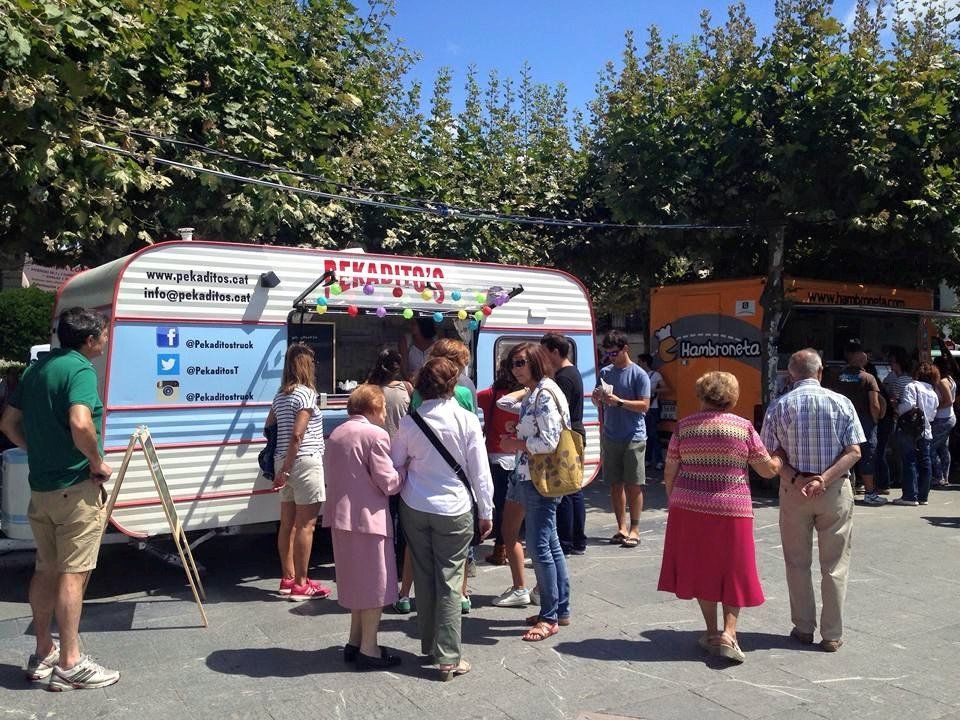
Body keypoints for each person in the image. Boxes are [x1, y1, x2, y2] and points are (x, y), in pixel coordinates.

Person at [0, 307, 120, 690]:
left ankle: (43, 652)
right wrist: (96, 461)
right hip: (75, 489)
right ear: (89, 340)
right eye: (102, 334)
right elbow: (81, 422)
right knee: (73, 573)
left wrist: (37, 450)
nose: (104, 340)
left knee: (46, 569)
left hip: (43, 489)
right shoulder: (79, 369)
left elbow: (7, 423)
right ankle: (71, 662)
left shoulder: (37, 368)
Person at [658, 372, 781, 664]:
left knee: (702, 568)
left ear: (701, 395)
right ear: (732, 396)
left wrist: (676, 498)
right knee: (733, 569)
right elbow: (766, 470)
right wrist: (780, 458)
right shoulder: (743, 428)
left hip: (688, 507)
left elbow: (669, 471)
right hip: (732, 509)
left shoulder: (683, 427)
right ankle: (729, 632)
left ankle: (712, 631)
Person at [391, 358, 493, 681]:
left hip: (416, 505)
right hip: (455, 508)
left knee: (423, 574)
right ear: (453, 384)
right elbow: (480, 471)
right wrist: (486, 511)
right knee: (450, 580)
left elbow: (396, 462)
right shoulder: (467, 420)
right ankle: (449, 657)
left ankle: (430, 645)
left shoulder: (410, 422)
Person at [760, 349, 864, 652]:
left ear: (791, 375)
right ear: (819, 372)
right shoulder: (841, 403)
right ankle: (832, 634)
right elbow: (854, 451)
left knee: (796, 562)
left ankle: (803, 627)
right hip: (833, 490)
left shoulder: (779, 406)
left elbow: (770, 457)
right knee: (835, 565)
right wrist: (824, 479)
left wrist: (796, 478)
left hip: (795, 490)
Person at [323, 384, 404, 670]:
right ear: (373, 408)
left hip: (340, 518)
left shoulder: (337, 433)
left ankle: (354, 641)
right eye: (382, 408)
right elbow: (388, 482)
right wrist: (404, 469)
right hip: (368, 519)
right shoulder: (375, 435)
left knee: (356, 581)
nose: (384, 415)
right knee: (375, 585)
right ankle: (369, 648)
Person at [498, 343, 572, 642]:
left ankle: (549, 616)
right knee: (550, 544)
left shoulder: (543, 395)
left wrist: (516, 445)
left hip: (540, 478)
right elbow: (506, 404)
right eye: (511, 364)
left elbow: (550, 442)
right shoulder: (537, 392)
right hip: (537, 476)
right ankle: (559, 609)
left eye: (520, 363)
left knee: (539, 546)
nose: (514, 369)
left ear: (536, 363)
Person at [409, 337, 477, 612]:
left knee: (421, 554)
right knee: (455, 553)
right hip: (457, 479)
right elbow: (473, 438)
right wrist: (485, 508)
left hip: (420, 485)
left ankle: (409, 595)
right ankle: (460, 593)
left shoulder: (417, 390)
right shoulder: (465, 391)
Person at [266, 344, 330, 601]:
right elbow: (297, 434)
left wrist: (281, 467)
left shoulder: (280, 395)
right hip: (303, 461)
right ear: (307, 366)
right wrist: (289, 466)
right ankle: (302, 584)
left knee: (287, 524)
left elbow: (269, 425)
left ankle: (288, 577)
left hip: (284, 460)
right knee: (307, 525)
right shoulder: (306, 394)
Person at [367, 349, 417, 614]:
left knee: (382, 512)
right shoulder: (407, 389)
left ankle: (382, 563)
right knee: (400, 513)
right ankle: (400, 562)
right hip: (401, 456)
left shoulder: (370, 389)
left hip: (376, 456)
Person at [591, 330, 650, 549]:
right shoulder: (605, 372)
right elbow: (600, 402)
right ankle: (621, 527)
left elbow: (644, 406)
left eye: (614, 353)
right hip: (611, 434)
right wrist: (598, 399)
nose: (611, 357)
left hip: (633, 436)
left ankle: (635, 528)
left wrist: (619, 402)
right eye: (608, 354)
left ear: (626, 349)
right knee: (615, 485)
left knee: (634, 485)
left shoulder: (639, 374)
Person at [825, 340, 886, 506]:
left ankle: (844, 492)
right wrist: (875, 420)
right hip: (864, 421)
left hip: (842, 421)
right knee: (867, 456)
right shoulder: (868, 378)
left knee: (844, 456)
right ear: (862, 359)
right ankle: (870, 493)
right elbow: (874, 403)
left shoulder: (838, 376)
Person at [542, 333, 587, 555]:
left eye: (544, 352)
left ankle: (567, 542)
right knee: (575, 489)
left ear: (555, 352)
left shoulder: (563, 378)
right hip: (576, 432)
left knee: (566, 488)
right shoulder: (573, 372)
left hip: (567, 434)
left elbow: (560, 412)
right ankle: (578, 539)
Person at [893, 362, 940, 506]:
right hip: (925, 430)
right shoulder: (933, 392)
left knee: (909, 461)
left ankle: (909, 496)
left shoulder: (911, 386)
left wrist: (896, 407)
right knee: (925, 462)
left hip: (910, 429)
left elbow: (907, 406)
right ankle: (923, 496)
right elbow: (932, 415)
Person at [637, 353, 669, 473]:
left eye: (640, 361)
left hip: (653, 408)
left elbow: (666, 388)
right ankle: (648, 459)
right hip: (642, 408)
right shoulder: (639, 375)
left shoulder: (655, 375)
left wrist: (651, 390)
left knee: (654, 435)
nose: (638, 363)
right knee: (646, 436)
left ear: (645, 362)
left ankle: (659, 461)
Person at [931, 344, 958, 487]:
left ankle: (939, 476)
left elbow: (948, 401)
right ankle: (944, 477)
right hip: (948, 417)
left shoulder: (942, 382)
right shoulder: (950, 379)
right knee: (942, 448)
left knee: (931, 447)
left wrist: (935, 406)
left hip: (943, 418)